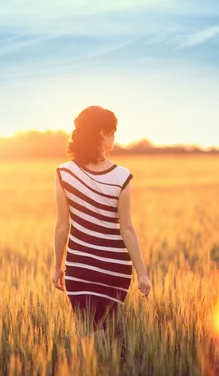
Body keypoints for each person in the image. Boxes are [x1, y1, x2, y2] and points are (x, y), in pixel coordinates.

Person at [51, 105, 151, 335]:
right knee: (107, 334)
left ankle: (89, 370)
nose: (114, 135)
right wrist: (142, 274)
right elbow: (126, 228)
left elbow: (61, 227)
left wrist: (57, 268)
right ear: (102, 133)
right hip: (114, 268)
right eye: (112, 131)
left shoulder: (64, 173)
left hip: (79, 267)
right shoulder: (122, 176)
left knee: (87, 335)